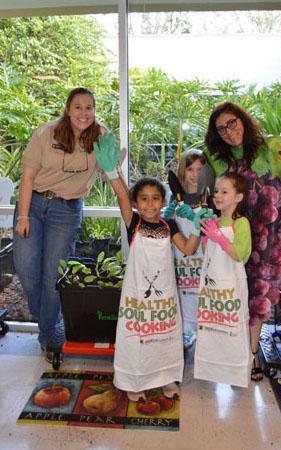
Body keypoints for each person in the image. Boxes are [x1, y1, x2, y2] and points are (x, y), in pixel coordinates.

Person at [13, 87, 125, 362]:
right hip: (34, 204)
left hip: (67, 209)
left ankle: (48, 334)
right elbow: (27, 178)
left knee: (53, 275)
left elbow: (113, 173)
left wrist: (132, 207)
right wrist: (24, 216)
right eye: (78, 107)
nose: (83, 113)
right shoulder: (46, 133)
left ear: (94, 111)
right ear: (68, 109)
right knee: (26, 270)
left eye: (89, 108)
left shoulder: (101, 137)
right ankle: (46, 317)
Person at [93, 133, 208, 401]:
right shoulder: (134, 223)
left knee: (166, 338)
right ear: (136, 203)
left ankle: (167, 378)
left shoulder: (169, 225)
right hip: (138, 298)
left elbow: (189, 249)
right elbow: (122, 194)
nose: (149, 204)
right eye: (143, 198)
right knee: (138, 338)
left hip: (165, 299)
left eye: (155, 198)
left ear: (162, 202)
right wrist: (112, 171)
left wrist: (200, 225)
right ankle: (135, 380)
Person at [204, 101, 281, 381]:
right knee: (232, 292)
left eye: (232, 123)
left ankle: (251, 354)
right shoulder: (219, 159)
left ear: (243, 120)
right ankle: (230, 348)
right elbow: (210, 192)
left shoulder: (271, 151)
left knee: (259, 296)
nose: (228, 131)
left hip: (267, 238)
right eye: (221, 129)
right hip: (232, 234)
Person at [194, 173, 253, 388]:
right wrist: (203, 234)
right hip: (211, 289)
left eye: (224, 192)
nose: (218, 195)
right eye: (216, 191)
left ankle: (235, 373)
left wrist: (219, 236)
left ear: (239, 197)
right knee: (211, 328)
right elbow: (204, 252)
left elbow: (239, 255)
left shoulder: (241, 223)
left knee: (231, 328)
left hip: (231, 290)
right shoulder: (214, 220)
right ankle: (212, 369)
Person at [163, 149, 212, 347]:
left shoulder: (210, 197)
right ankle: (185, 331)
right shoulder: (175, 199)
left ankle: (204, 331)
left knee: (202, 296)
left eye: (200, 169)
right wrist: (167, 220)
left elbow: (214, 232)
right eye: (190, 169)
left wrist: (195, 218)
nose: (195, 174)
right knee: (184, 297)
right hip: (181, 261)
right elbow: (168, 231)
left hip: (203, 260)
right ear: (182, 171)